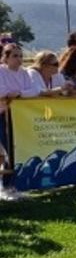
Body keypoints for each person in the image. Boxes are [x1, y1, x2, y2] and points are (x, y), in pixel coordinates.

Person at [0, 43, 41, 201]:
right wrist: (15, 94)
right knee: (7, 150)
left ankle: (13, 186)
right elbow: (3, 91)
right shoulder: (1, 71)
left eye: (20, 56)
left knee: (16, 150)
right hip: (3, 115)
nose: (19, 59)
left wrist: (19, 93)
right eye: (15, 56)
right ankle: (5, 187)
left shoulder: (24, 73)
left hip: (18, 116)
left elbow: (35, 90)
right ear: (6, 58)